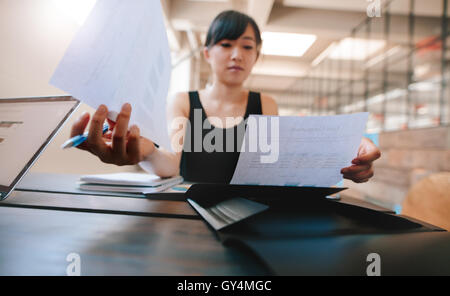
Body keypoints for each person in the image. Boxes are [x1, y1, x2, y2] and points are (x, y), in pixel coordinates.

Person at [69, 10, 380, 184]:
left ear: (257, 55)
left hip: (245, 215)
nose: (236, 55)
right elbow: (171, 163)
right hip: (186, 210)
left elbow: (272, 167)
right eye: (226, 44)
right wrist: (149, 152)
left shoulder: (265, 104)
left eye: (247, 46)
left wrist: (343, 154)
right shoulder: (182, 101)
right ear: (207, 53)